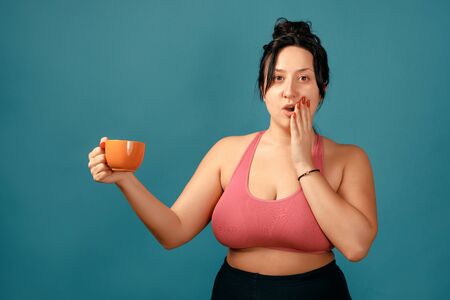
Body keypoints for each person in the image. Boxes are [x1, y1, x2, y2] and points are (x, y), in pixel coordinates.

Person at [87, 17, 377, 300]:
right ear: (264, 91)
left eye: (304, 78)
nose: (290, 91)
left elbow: (356, 247)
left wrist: (303, 163)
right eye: (277, 79)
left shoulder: (349, 159)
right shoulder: (227, 152)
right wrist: (125, 180)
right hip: (235, 291)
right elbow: (173, 232)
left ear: (321, 89)